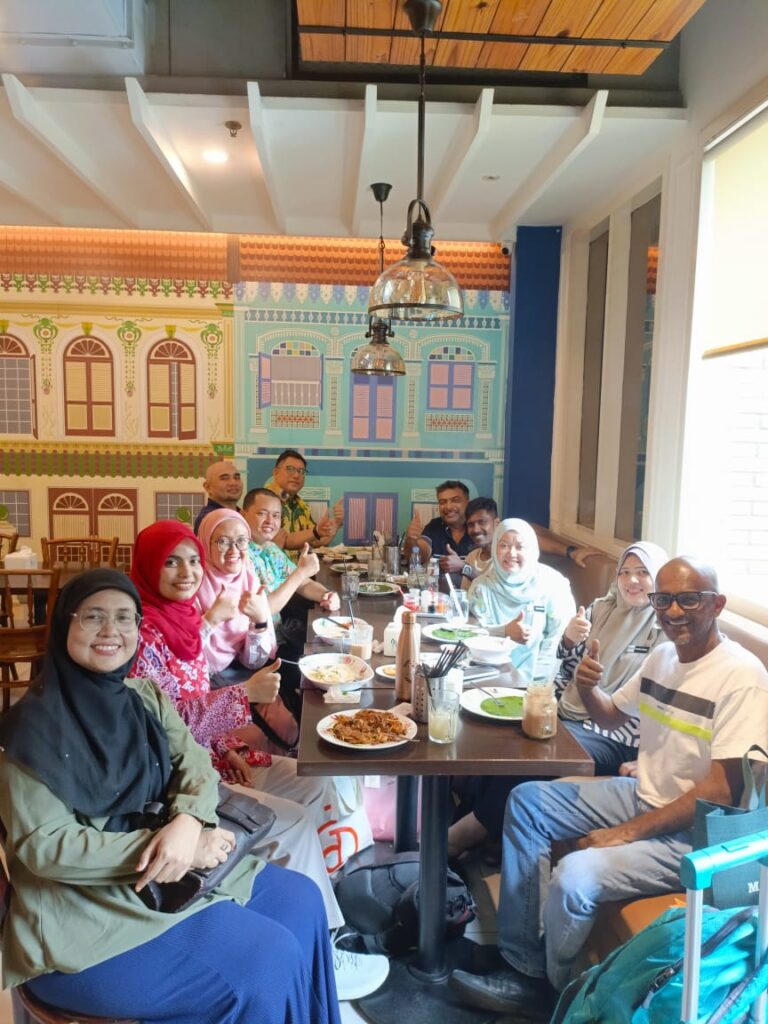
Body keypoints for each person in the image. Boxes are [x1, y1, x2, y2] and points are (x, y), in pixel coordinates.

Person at [0, 569, 341, 1023]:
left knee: (302, 900)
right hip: (84, 915)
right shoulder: (29, 730)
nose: (111, 630)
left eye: (125, 618)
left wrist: (187, 823)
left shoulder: (143, 698)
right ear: (64, 624)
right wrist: (173, 850)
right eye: (93, 616)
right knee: (266, 964)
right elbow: (47, 846)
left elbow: (194, 765)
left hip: (171, 877)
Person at [450, 557, 768, 1017]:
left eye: (688, 599)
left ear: (716, 604)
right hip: (644, 797)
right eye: (664, 599)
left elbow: (722, 792)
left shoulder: (743, 677)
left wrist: (624, 833)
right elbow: (612, 716)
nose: (673, 610)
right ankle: (522, 961)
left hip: (697, 834)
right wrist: (589, 687)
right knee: (527, 801)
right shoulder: (663, 657)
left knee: (574, 877)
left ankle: (553, 994)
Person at [555, 541, 669, 774]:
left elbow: (656, 703)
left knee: (545, 747)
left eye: (643, 572)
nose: (631, 580)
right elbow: (569, 670)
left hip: (619, 733)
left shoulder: (666, 627)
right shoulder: (602, 608)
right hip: (569, 709)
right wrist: (569, 640)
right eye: (624, 572)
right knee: (513, 731)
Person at [196, 508, 297, 754]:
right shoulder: (192, 584)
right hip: (207, 686)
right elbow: (189, 662)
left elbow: (255, 661)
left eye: (241, 541)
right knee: (252, 740)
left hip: (246, 674)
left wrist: (260, 621)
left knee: (288, 726)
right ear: (205, 543)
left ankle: (283, 771)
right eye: (223, 541)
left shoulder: (249, 579)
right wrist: (211, 620)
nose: (234, 550)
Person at [243, 487, 340, 722]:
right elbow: (264, 610)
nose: (270, 521)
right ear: (244, 514)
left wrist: (326, 594)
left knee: (330, 657)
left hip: (277, 638)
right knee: (322, 675)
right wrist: (300, 573)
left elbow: (304, 584)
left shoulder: (270, 549)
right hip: (255, 652)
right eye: (262, 513)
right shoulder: (241, 554)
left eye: (276, 515)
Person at [467, 518, 576, 684]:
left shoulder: (553, 584)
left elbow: (557, 637)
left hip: (541, 678)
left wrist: (537, 683)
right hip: (488, 675)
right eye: (504, 545)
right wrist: (504, 631)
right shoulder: (481, 587)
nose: (511, 553)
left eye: (520, 547)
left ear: (532, 550)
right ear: (495, 548)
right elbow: (470, 633)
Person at [265, 449, 343, 560]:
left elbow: (316, 541)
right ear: (275, 472)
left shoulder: (302, 505)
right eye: (290, 469)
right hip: (273, 569)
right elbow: (285, 540)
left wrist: (336, 523)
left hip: (299, 569)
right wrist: (316, 531)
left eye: (301, 471)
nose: (296, 475)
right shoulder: (264, 500)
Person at [193, 459, 244, 533]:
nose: (233, 483)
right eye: (224, 478)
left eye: (236, 478)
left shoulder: (242, 514)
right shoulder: (210, 519)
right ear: (208, 487)